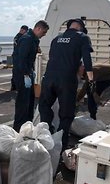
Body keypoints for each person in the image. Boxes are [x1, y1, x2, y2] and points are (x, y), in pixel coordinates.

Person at [39, 18, 94, 150]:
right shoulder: (82, 37)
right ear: (80, 28)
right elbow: (87, 59)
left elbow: (53, 57)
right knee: (66, 113)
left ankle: (47, 135)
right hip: (66, 80)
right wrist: (91, 78)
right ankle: (61, 144)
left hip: (49, 78)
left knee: (45, 106)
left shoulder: (56, 39)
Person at [12, 21, 49, 132]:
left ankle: (27, 126)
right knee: (23, 103)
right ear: (37, 29)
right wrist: (26, 74)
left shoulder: (33, 40)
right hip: (23, 75)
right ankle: (18, 128)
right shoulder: (27, 39)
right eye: (43, 32)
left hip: (28, 73)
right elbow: (20, 59)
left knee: (29, 102)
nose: (44, 34)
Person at [11, 25, 29, 91]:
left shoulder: (18, 37)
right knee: (17, 72)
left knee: (15, 72)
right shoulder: (19, 37)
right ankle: (15, 86)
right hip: (17, 57)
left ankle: (14, 86)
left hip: (16, 56)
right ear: (23, 30)